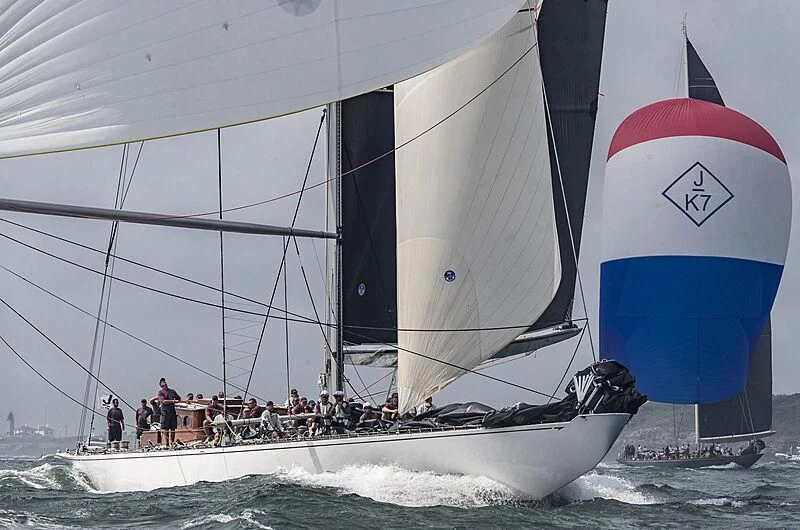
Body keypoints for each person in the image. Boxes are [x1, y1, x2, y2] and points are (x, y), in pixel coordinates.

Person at [157, 378, 181, 448]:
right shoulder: (161, 392)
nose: (164, 383)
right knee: (166, 428)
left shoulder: (172, 391)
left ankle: (172, 443)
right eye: (162, 382)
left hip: (172, 410)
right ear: (161, 385)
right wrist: (173, 401)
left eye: (165, 381)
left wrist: (178, 400)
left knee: (173, 428)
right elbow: (163, 401)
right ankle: (167, 444)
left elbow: (178, 398)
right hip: (165, 411)